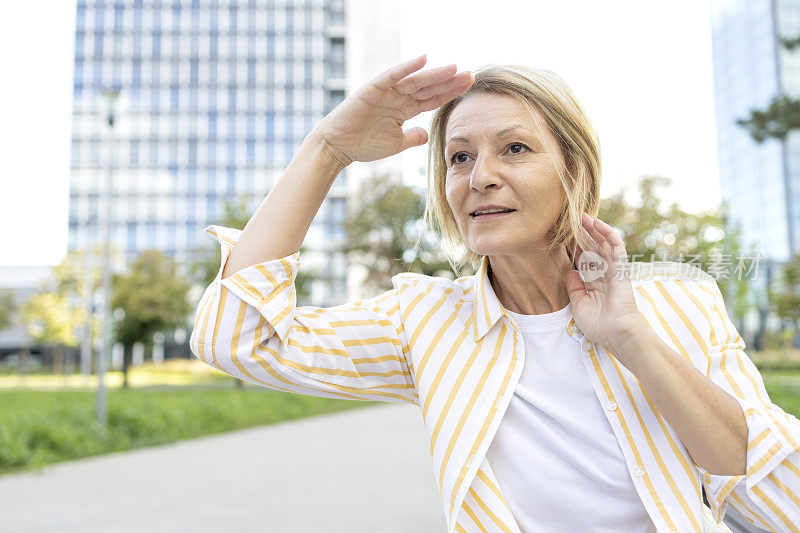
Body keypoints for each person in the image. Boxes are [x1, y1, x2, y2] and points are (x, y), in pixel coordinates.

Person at [190, 55, 800, 532]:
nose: (480, 177)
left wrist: (630, 338)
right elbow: (236, 340)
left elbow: (754, 473)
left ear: (573, 170)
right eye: (459, 158)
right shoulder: (423, 322)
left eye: (514, 148)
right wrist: (329, 150)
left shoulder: (678, 301)